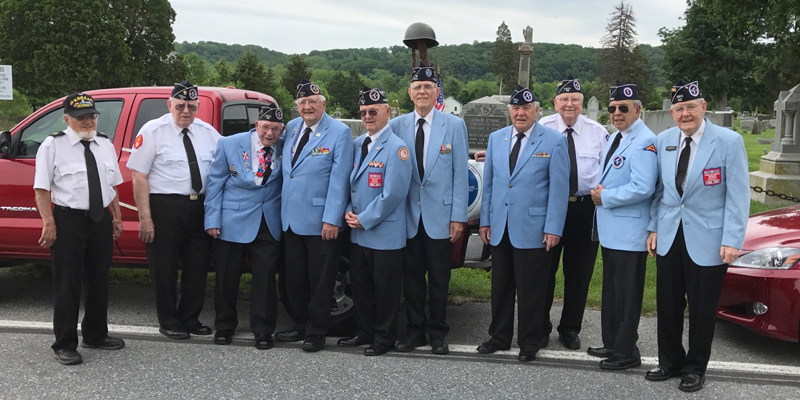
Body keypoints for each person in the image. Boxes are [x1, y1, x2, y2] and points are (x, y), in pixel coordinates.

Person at [645, 81, 749, 392]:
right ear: (672, 113)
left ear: (703, 107)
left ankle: (695, 368)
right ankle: (669, 361)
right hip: (670, 234)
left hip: (709, 237)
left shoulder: (729, 142)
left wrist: (732, 239)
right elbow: (660, 191)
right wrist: (654, 227)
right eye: (679, 109)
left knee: (702, 309)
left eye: (691, 107)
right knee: (668, 303)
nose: (685, 114)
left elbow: (738, 195)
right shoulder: (664, 140)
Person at [476, 85, 569, 362]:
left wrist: (553, 227)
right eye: (516, 108)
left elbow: (559, 190)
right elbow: (490, 183)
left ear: (536, 110)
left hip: (534, 228)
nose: (520, 113)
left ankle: (529, 341)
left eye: (526, 108)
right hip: (500, 226)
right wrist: (485, 221)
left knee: (532, 289)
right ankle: (499, 337)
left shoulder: (554, 141)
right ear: (510, 111)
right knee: (501, 286)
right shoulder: (497, 138)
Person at [33, 92, 125, 365]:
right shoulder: (53, 145)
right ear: (67, 119)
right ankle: (64, 343)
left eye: (92, 116)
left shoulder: (104, 143)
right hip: (69, 221)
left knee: (99, 280)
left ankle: (95, 334)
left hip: (100, 220)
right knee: (68, 283)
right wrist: (49, 223)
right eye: (81, 117)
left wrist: (117, 217)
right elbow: (41, 189)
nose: (88, 121)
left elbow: (111, 185)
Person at [127, 81, 220, 340]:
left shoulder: (208, 133)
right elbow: (139, 177)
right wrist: (145, 218)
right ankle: (168, 320)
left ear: (198, 106)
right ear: (169, 105)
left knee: (197, 265)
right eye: (180, 106)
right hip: (165, 207)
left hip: (199, 207)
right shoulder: (153, 131)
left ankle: (190, 318)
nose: (186, 111)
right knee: (164, 267)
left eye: (191, 106)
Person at [389, 62, 468, 355]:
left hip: (441, 217)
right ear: (410, 93)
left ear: (436, 93)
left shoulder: (454, 126)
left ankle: (437, 332)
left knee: (438, 278)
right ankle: (414, 330)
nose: (423, 91)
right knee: (411, 278)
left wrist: (458, 216)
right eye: (418, 87)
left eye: (428, 87)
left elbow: (460, 175)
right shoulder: (397, 125)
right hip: (408, 216)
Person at [278, 78, 353, 352]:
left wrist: (332, 218)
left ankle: (317, 331)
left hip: (321, 221)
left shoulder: (340, 132)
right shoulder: (291, 127)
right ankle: (299, 324)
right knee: (294, 279)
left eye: (312, 101)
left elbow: (340, 180)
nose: (307, 107)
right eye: (302, 102)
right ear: (297, 106)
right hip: (290, 220)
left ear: (323, 103)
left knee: (320, 282)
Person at [587, 83, 657, 370]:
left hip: (629, 232)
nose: (616, 113)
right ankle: (613, 342)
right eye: (613, 108)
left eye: (623, 108)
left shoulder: (644, 141)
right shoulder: (617, 137)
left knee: (627, 296)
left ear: (637, 110)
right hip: (612, 231)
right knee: (612, 291)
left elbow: (643, 187)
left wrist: (606, 197)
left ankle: (627, 352)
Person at [338, 86, 412, 356]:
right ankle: (365, 331)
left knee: (385, 291)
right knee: (361, 287)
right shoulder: (358, 144)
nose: (368, 117)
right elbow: (351, 186)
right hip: (359, 232)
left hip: (384, 233)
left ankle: (384, 337)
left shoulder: (397, 148)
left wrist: (363, 219)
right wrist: (348, 211)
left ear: (387, 112)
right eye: (363, 113)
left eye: (373, 111)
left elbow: (393, 194)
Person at [204, 103, 284, 350]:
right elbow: (215, 183)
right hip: (232, 219)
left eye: (276, 129)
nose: (270, 134)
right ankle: (224, 326)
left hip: (268, 221)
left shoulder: (286, 146)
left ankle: (263, 330)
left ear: (282, 130)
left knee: (265, 278)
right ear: (256, 125)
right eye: (265, 127)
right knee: (227, 276)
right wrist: (212, 219)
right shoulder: (229, 144)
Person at [538, 75, 607, 350]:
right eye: (564, 99)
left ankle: (570, 328)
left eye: (575, 100)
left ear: (582, 103)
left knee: (579, 273)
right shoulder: (542, 128)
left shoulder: (597, 132)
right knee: (544, 270)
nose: (570, 104)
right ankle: (540, 327)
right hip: (549, 208)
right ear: (555, 103)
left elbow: (609, 170)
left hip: (585, 208)